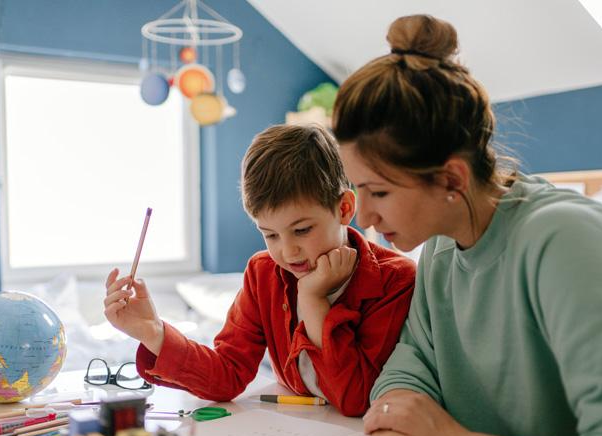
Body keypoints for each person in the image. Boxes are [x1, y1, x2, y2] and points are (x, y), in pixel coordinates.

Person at [332, 14, 602, 436]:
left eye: (379, 191)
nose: (365, 214)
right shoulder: (441, 246)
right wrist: (395, 433)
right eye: (358, 188)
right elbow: (412, 359)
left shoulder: (565, 243)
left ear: (452, 178)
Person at [103, 124, 416, 416]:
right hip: (292, 433)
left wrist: (313, 301)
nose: (288, 251)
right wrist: (152, 332)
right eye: (270, 235)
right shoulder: (263, 272)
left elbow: (355, 399)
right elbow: (228, 374)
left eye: (303, 230)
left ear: (344, 208)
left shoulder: (395, 280)